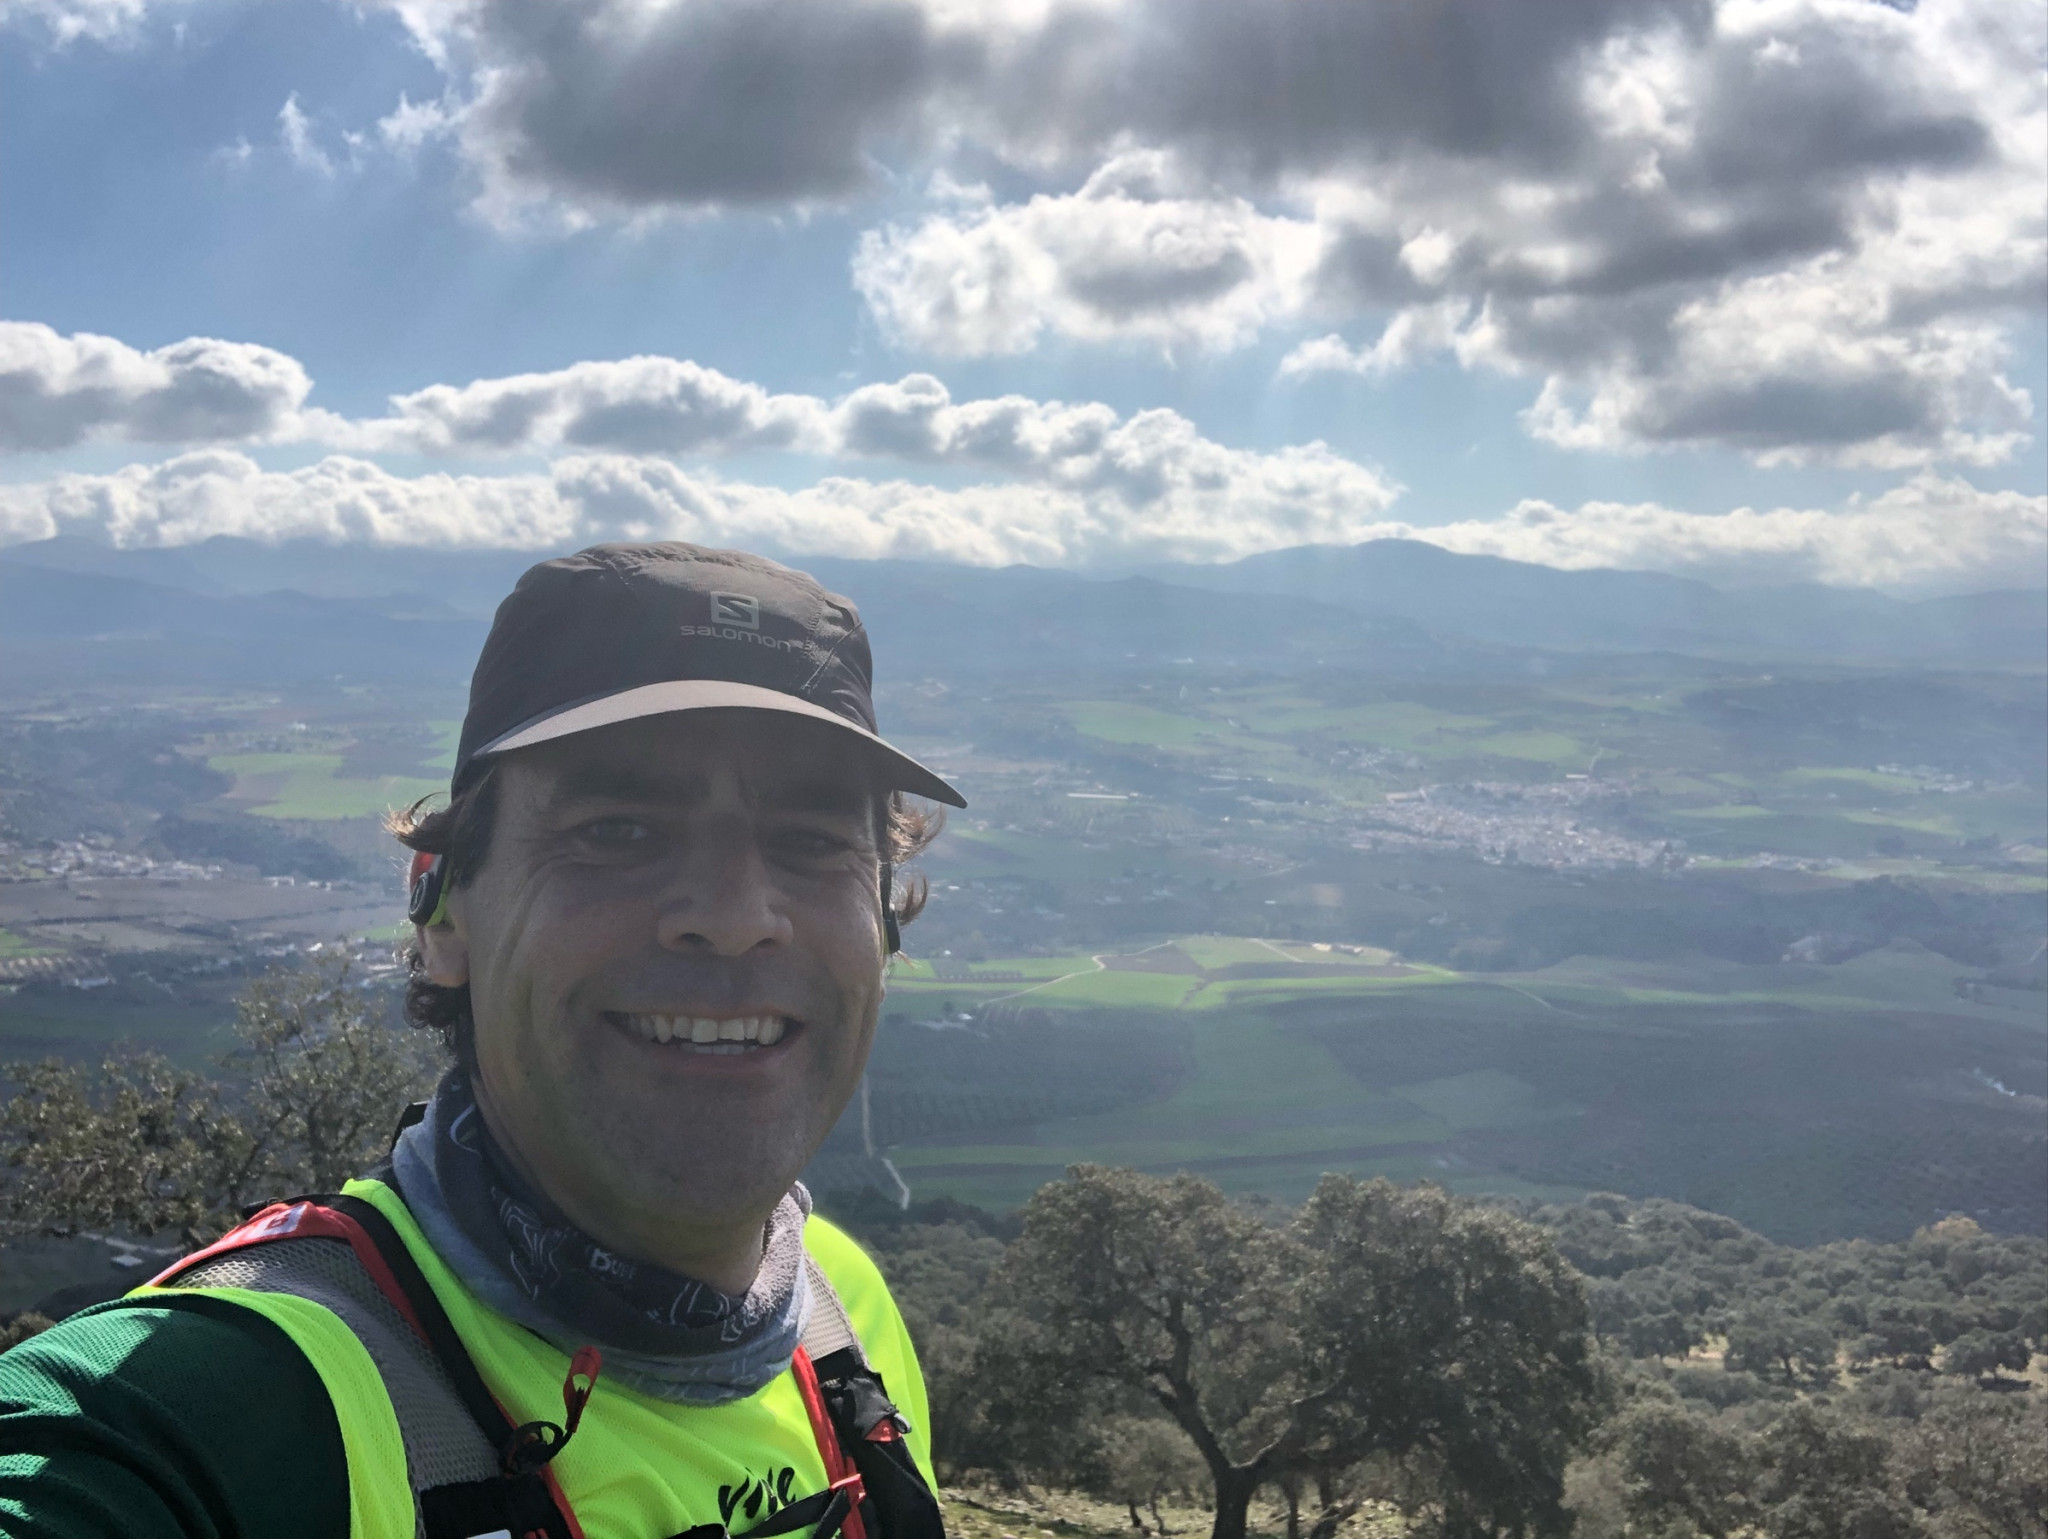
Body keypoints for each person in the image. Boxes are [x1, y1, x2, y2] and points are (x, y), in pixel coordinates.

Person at [0, 542, 965, 1539]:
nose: (733, 916)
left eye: (812, 842)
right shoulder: (230, 1412)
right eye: (618, 830)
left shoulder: (841, 1312)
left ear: (883, 920)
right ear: (446, 915)